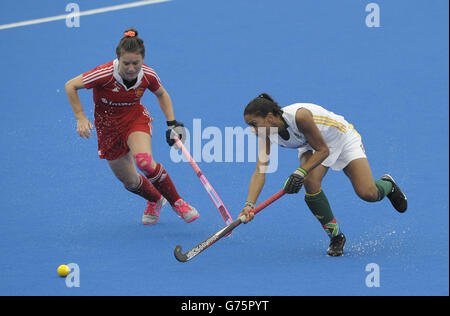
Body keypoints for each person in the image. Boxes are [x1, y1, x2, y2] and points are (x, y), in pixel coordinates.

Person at [239, 93, 407, 256]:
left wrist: (300, 171)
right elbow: (260, 170)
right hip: (310, 144)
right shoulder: (265, 133)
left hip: (341, 139)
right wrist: (249, 205)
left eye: (254, 124)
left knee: (368, 193)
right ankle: (336, 237)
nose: (253, 130)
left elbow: (323, 150)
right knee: (310, 182)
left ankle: (388, 185)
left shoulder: (300, 116)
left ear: (269, 117)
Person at [65, 28, 199, 225]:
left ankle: (177, 202)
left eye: (136, 63)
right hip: (108, 129)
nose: (130, 68)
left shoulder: (148, 75)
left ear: (142, 60)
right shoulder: (103, 74)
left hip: (134, 120)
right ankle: (155, 199)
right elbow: (70, 86)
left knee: (144, 162)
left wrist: (172, 123)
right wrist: (80, 117)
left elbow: (162, 94)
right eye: (126, 63)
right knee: (129, 181)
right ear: (118, 59)